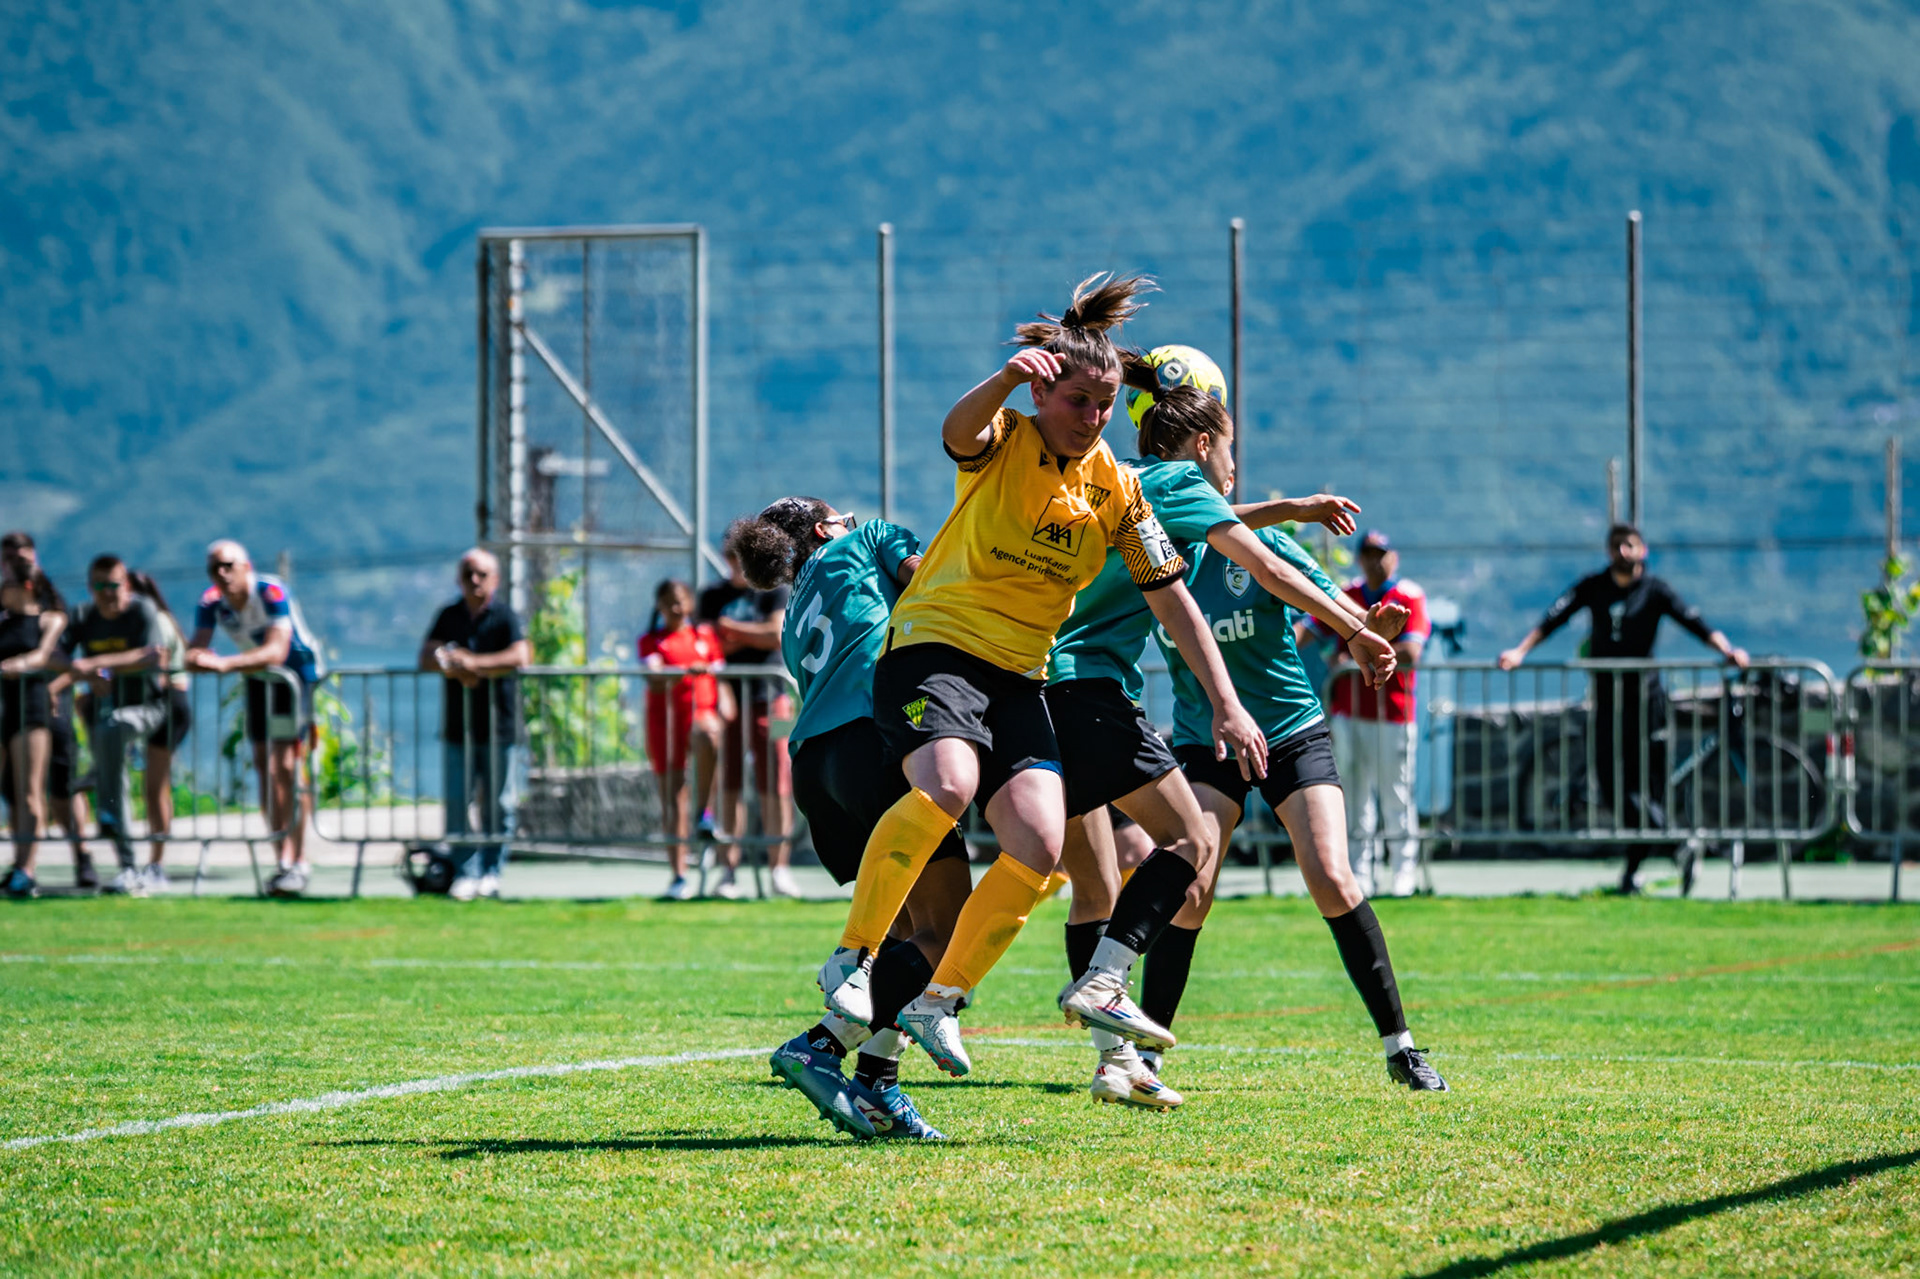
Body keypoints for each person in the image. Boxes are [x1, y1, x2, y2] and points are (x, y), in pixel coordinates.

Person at [819, 274, 1271, 1090]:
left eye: (1105, 405)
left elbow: (1174, 600)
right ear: (1044, 389)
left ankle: (941, 1001)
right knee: (953, 788)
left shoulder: (1119, 489)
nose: (1093, 418)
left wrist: (1230, 704)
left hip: (1019, 681)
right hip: (939, 649)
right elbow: (955, 429)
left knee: (1051, 844)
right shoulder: (1008, 439)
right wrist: (1002, 379)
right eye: (1078, 402)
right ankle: (852, 961)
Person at [1044, 370, 1400, 1110]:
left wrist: (1297, 513)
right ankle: (1109, 996)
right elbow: (1263, 558)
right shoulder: (1179, 497)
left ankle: (900, 1009)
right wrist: (1359, 633)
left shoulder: (1129, 480)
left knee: (1076, 879)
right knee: (1186, 853)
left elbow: (1253, 536)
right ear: (1205, 444)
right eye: (1229, 448)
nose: (1234, 465)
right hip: (1115, 698)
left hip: (1034, 675)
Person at [1149, 520, 1449, 1092]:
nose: (1225, 476)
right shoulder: (1149, 552)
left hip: (1292, 732)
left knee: (1332, 877)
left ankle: (1401, 1048)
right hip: (1207, 737)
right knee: (1192, 889)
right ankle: (1147, 1053)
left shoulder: (1264, 546)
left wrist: (1367, 629)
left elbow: (1334, 605)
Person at [732, 498, 968, 1140]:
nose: (853, 519)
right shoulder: (868, 541)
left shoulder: (791, 616)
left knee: (900, 930)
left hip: (816, 763)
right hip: (873, 738)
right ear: (823, 528)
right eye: (843, 515)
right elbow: (937, 581)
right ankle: (823, 1044)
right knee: (950, 926)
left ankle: (878, 1085)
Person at [1498, 523, 1749, 894]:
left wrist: (1727, 650)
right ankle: (1676, 846)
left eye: (1629, 545)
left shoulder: (1656, 590)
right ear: (1609, 551)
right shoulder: (1593, 586)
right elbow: (1554, 618)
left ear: (1642, 550)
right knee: (1611, 784)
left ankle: (1635, 871)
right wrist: (1520, 651)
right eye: (1616, 545)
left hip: (1645, 701)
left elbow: (1694, 622)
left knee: (1640, 785)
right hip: (1606, 699)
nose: (1623, 551)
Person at [186, 540, 325, 897]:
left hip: (293, 681)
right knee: (265, 768)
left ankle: (300, 860)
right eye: (215, 568)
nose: (222, 574)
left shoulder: (272, 591)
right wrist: (195, 657)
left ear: (246, 566)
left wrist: (223, 663)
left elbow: (278, 652)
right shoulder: (211, 601)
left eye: (229, 566)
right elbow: (197, 648)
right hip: (258, 680)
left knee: (287, 767)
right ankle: (282, 859)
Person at [1308, 530, 1432, 899]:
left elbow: (1411, 652)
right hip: (1351, 711)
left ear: (1393, 557)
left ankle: (1402, 873)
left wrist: (1359, 650)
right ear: (1360, 557)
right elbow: (1315, 632)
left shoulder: (1408, 595)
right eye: (1368, 553)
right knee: (1355, 795)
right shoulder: (1349, 594)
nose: (1375, 560)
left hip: (1392, 713)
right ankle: (1360, 873)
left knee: (1397, 795)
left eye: (1381, 553)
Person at [419, 549, 530, 901]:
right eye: (468, 574)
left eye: (482, 574)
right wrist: (452, 664)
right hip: (458, 729)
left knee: (499, 804)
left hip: (500, 727)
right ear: (459, 578)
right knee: (457, 803)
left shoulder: (505, 616)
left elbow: (520, 656)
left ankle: (491, 873)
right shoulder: (448, 615)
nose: (475, 580)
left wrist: (474, 664)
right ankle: (464, 872)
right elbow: (427, 655)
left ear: (495, 579)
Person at [60, 555, 169, 895]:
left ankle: (104, 800)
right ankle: (126, 864)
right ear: (91, 587)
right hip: (102, 714)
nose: (107, 593)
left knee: (113, 731)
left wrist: (93, 664)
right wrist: (81, 671)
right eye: (99, 586)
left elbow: (154, 654)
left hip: (147, 709)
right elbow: (56, 653)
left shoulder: (142, 611)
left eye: (114, 585)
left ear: (126, 584)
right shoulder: (81, 615)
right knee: (109, 748)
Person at [699, 539, 797, 898]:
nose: (735, 565)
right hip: (726, 702)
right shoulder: (710, 595)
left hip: (770, 700)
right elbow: (709, 645)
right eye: (730, 558)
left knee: (777, 783)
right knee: (729, 784)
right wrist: (741, 638)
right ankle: (728, 872)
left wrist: (731, 630)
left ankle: (779, 870)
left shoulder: (774, 592)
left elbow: (776, 634)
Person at [5, 529, 98, 890]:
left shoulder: (51, 609)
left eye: (21, 555)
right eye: (9, 556)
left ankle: (81, 856)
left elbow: (62, 662)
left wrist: (57, 686)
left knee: (63, 788)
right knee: (14, 790)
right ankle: (21, 865)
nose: (14, 561)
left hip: (45, 708)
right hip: (9, 707)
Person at [638, 579, 726, 900]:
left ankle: (705, 814)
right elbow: (654, 676)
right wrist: (679, 671)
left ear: (689, 603)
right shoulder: (651, 641)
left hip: (698, 716)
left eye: (680, 601)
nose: (676, 608)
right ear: (659, 606)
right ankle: (678, 876)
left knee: (709, 736)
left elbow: (720, 674)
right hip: (664, 722)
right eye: (668, 602)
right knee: (673, 797)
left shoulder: (704, 637)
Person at [0, 554, 68, 897]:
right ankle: (13, 863)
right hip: (2, 707)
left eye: (6, 583)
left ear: (26, 586)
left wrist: (15, 665)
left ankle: (26, 869)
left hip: (31, 707)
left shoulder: (49, 619)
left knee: (29, 791)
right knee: (8, 791)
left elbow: (43, 656)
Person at [128, 571, 192, 890]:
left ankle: (157, 862)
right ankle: (155, 860)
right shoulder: (159, 618)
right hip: (162, 704)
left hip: (168, 705)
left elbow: (160, 669)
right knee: (154, 786)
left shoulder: (157, 621)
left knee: (155, 787)